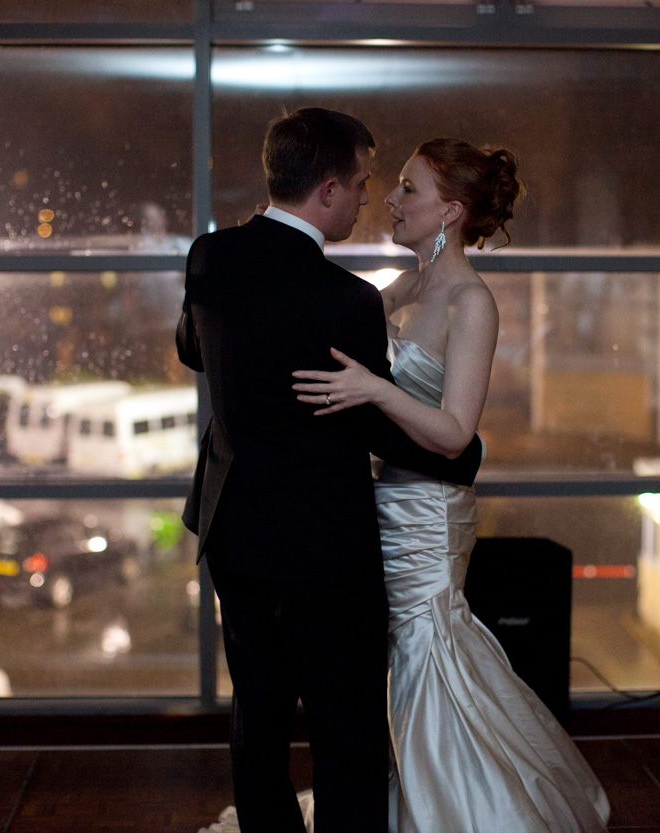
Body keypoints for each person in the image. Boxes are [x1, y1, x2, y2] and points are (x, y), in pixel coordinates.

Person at [291, 138, 611, 832]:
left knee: (426, 658)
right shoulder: (404, 287)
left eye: (409, 188)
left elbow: (456, 432)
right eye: (397, 186)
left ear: (452, 210)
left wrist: (372, 387)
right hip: (382, 502)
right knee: (397, 665)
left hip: (430, 513)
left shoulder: (472, 303)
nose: (392, 200)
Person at [177, 110, 484, 833]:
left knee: (257, 716)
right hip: (322, 547)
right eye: (362, 182)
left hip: (233, 527)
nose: (369, 196)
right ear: (326, 189)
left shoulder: (209, 258)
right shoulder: (341, 299)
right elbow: (375, 423)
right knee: (344, 730)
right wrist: (464, 452)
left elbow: (194, 346)